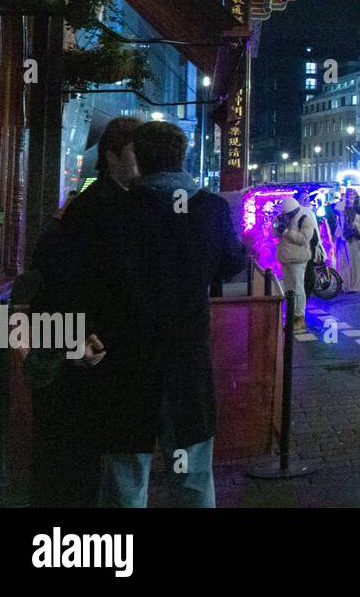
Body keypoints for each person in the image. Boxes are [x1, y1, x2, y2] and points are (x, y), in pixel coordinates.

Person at [83, 121, 247, 507]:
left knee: (126, 481)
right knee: (191, 480)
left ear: (138, 158)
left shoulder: (116, 212)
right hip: (187, 362)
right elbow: (231, 265)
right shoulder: (209, 209)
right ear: (182, 156)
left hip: (125, 361)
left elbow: (92, 280)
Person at [27, 116, 142, 507]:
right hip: (90, 354)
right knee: (85, 465)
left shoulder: (107, 202)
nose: (140, 163)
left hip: (94, 350)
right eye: (134, 154)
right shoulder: (97, 208)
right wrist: (81, 335)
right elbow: (74, 281)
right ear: (111, 156)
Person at [275, 196, 317, 332]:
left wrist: (287, 231)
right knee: (289, 289)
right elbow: (274, 234)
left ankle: (299, 318)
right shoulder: (284, 217)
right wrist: (277, 226)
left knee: (298, 288)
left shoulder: (305, 218)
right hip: (285, 258)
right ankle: (291, 316)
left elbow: (303, 239)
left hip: (298, 259)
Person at [339, 190, 360, 292]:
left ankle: (356, 284)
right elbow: (338, 221)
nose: (350, 197)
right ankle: (345, 284)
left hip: (356, 237)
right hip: (343, 236)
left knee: (355, 261)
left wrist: (358, 229)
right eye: (348, 195)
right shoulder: (341, 207)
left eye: (352, 195)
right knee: (344, 261)